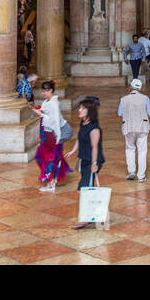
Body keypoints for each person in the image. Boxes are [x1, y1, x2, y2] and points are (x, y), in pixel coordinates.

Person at [73, 97, 105, 229]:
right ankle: (92, 214)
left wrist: (94, 163)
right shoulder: (83, 123)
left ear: (89, 111)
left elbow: (94, 147)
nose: (79, 110)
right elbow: (80, 138)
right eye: (79, 107)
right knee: (84, 188)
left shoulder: (94, 128)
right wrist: (74, 150)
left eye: (82, 108)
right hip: (85, 160)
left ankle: (86, 218)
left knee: (85, 189)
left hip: (93, 161)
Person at [32, 80, 70, 192]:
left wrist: (41, 114)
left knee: (48, 158)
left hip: (51, 135)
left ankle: (51, 183)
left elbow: (55, 121)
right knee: (42, 157)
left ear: (51, 91)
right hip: (46, 135)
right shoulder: (47, 102)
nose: (42, 93)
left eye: (45, 91)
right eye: (42, 90)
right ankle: (51, 181)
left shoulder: (53, 103)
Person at [118, 78, 150, 182]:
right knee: (142, 151)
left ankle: (131, 172)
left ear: (130, 87)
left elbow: (120, 114)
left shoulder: (123, 99)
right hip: (142, 127)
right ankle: (141, 176)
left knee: (130, 149)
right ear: (140, 88)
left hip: (128, 127)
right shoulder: (145, 98)